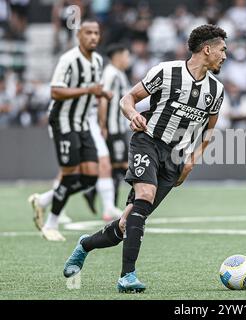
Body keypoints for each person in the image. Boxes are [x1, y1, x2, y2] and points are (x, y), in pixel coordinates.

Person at [62, 24, 227, 293]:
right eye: (222, 50)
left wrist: (191, 161)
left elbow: (208, 132)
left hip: (175, 157)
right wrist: (133, 114)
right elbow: (128, 99)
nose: (225, 55)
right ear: (206, 49)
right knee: (146, 194)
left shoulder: (216, 91)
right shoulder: (166, 72)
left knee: (129, 222)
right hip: (147, 141)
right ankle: (127, 276)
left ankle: (85, 245)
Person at [28, 20, 110, 241]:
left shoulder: (99, 61)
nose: (93, 37)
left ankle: (44, 200)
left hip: (83, 123)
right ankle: (50, 224)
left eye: (96, 33)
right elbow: (55, 91)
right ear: (79, 36)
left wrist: (102, 95)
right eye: (88, 33)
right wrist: (89, 90)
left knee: (90, 178)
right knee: (69, 173)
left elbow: (96, 89)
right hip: (63, 122)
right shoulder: (69, 60)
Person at [84, 44, 131, 209]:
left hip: (119, 127)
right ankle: (108, 204)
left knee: (117, 166)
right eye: (126, 55)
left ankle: (97, 195)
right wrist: (103, 125)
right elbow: (103, 100)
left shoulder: (120, 74)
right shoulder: (110, 74)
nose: (128, 59)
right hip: (113, 129)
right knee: (119, 166)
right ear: (117, 56)